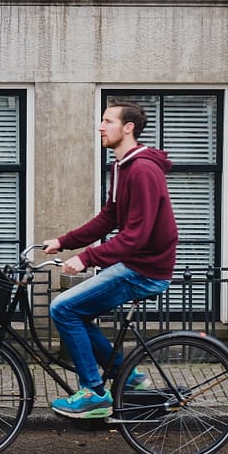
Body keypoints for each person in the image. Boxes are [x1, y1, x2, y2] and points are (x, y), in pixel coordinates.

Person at [43, 100, 178, 419]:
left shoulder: (143, 170)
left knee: (62, 308)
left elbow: (137, 234)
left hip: (145, 269)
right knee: (76, 312)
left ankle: (93, 393)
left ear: (128, 128)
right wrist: (64, 242)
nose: (100, 127)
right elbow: (109, 218)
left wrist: (86, 258)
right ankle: (129, 378)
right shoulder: (122, 166)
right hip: (135, 263)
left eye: (108, 121)